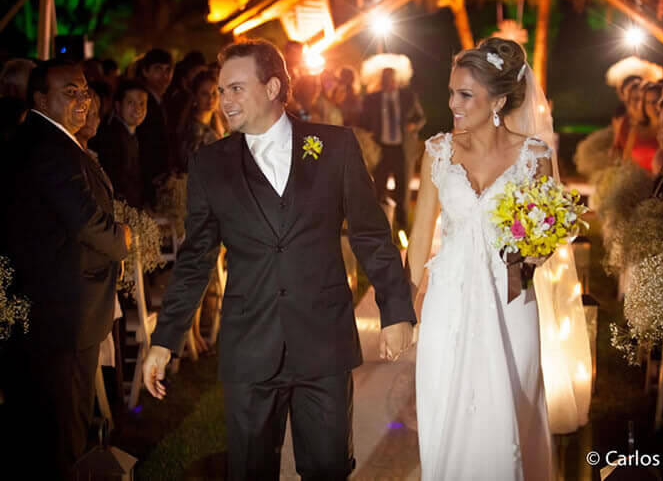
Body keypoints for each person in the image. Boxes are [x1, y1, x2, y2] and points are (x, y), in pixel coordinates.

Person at [142, 39, 416, 480]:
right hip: (250, 346)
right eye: (221, 90)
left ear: (272, 88)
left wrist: (396, 310)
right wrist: (164, 338)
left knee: (328, 469)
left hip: (324, 343)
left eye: (236, 88)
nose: (225, 100)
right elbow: (195, 259)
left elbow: (371, 234)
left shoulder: (335, 147)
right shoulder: (209, 164)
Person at [407, 37, 554, 480]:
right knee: (445, 409)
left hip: (510, 300)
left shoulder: (535, 157)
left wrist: (536, 249)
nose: (453, 103)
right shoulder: (437, 152)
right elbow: (420, 238)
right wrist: (403, 308)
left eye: (465, 94)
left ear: (499, 101)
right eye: (452, 92)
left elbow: (545, 235)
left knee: (511, 410)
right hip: (448, 303)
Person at [3, 59, 131, 478]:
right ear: (41, 99)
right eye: (69, 92)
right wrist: (122, 240)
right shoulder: (49, 147)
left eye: (84, 91)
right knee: (62, 432)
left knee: (47, 426)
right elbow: (85, 221)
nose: (82, 100)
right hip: (63, 312)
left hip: (55, 309)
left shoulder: (50, 141)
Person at [362, 67, 426, 231]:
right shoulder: (372, 99)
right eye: (386, 78)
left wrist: (413, 125)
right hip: (381, 149)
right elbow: (364, 121)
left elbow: (421, 117)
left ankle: (401, 228)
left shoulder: (408, 97)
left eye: (391, 78)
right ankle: (378, 226)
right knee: (378, 189)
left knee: (402, 191)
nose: (389, 82)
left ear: (396, 80)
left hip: (401, 149)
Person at [92, 79, 149, 208]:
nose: (138, 109)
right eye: (131, 103)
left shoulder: (131, 133)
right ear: (118, 106)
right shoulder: (112, 136)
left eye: (142, 103)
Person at [135, 48, 173, 201]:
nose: (164, 76)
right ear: (145, 71)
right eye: (158, 69)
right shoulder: (143, 103)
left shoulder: (164, 100)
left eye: (168, 70)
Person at [176, 69, 224, 173]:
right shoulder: (192, 129)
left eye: (214, 93)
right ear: (195, 96)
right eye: (204, 94)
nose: (211, 98)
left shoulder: (217, 123)